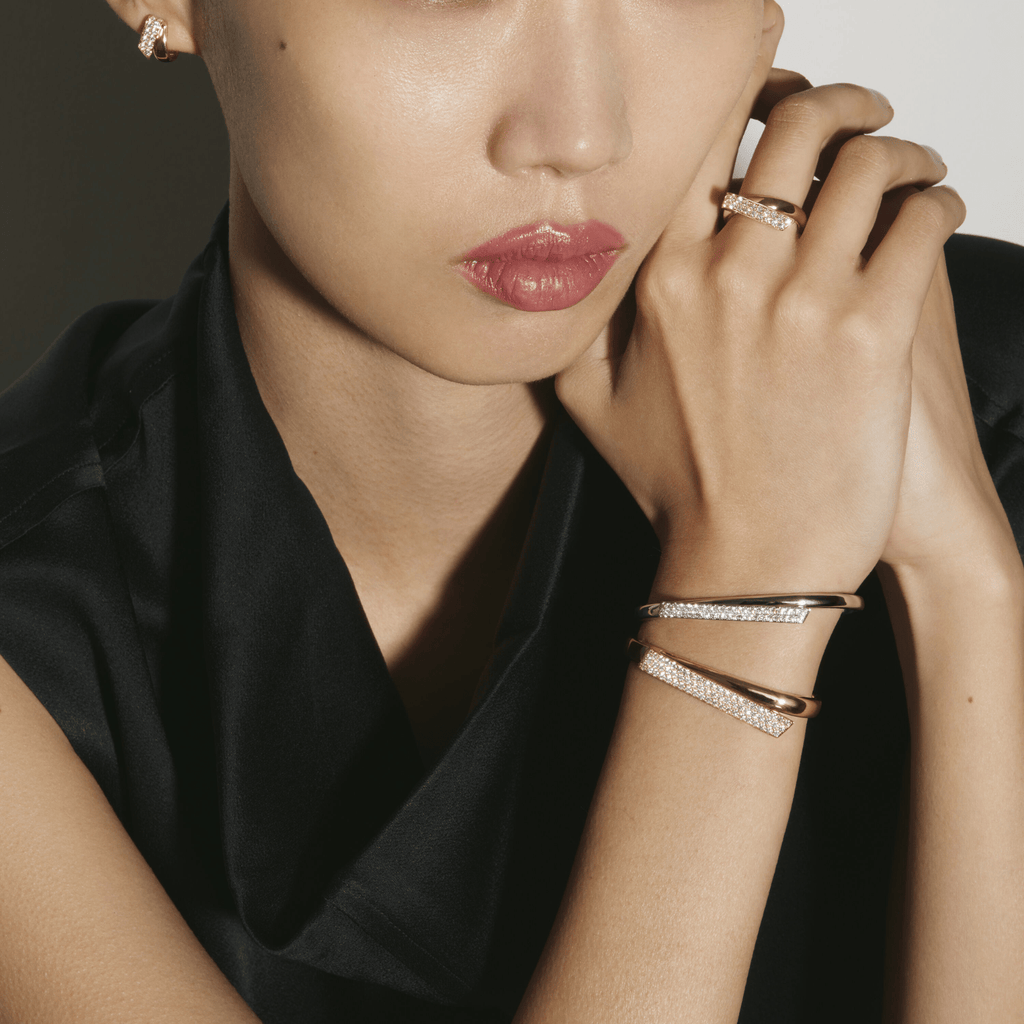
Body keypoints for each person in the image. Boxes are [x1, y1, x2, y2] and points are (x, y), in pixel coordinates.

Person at [0, 0, 1021, 1021]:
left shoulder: (983, 403)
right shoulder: (33, 612)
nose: (579, 134)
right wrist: (747, 586)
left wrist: (966, 589)